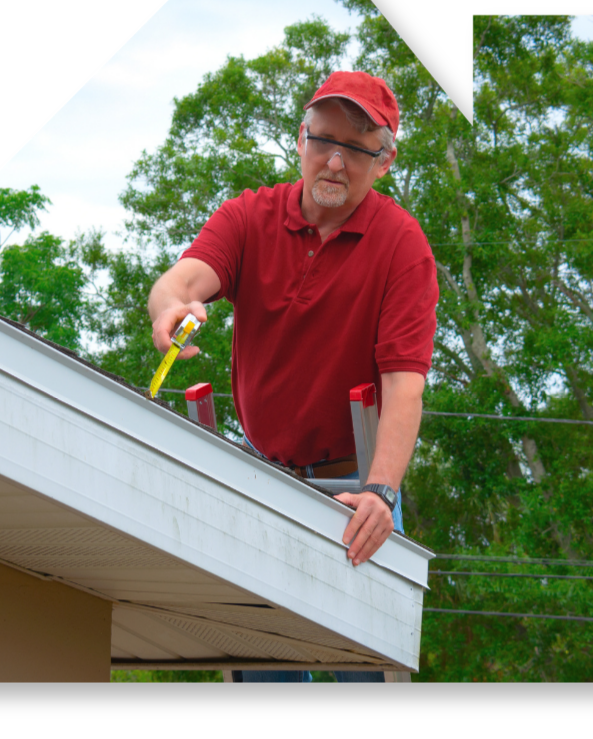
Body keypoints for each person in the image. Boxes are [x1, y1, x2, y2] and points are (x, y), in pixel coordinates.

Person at [147, 71, 438, 683]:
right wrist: (171, 308)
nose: (335, 161)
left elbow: (404, 384)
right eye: (323, 140)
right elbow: (181, 281)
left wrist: (382, 494)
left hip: (354, 490)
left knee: (367, 669)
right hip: (261, 477)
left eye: (357, 147)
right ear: (300, 140)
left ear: (384, 160)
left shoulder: (401, 245)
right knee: (259, 666)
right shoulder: (249, 216)